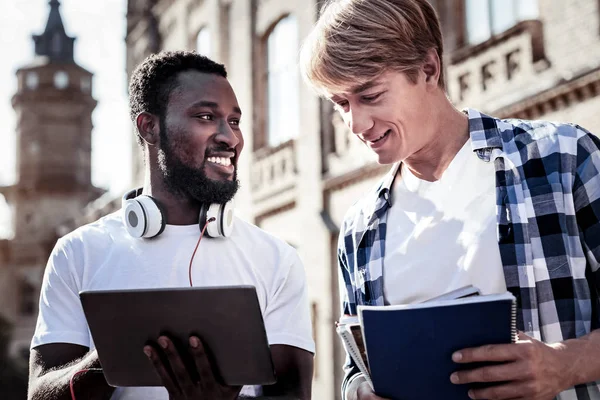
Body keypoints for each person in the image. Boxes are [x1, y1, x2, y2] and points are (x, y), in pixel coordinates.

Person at [300, 0, 600, 399]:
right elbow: (356, 368)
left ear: (428, 68)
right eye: (341, 104)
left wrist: (565, 363)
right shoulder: (359, 229)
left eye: (370, 95)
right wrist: (359, 391)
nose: (356, 124)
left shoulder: (563, 158)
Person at [28, 51, 315, 400]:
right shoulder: (78, 251)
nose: (230, 137)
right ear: (150, 127)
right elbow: (40, 392)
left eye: (235, 121)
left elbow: (293, 394)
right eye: (206, 116)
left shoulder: (277, 258)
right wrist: (115, 352)